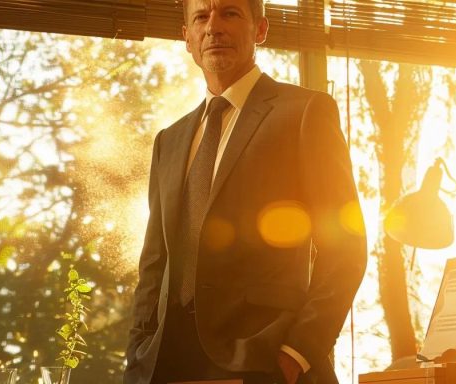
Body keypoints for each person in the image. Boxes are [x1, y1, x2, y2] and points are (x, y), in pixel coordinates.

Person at [123, 0, 367, 383]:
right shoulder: (168, 142)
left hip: (264, 362)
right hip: (169, 365)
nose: (213, 27)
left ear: (261, 30)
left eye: (230, 13)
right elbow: (154, 265)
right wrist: (138, 353)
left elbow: (345, 249)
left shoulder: (305, 113)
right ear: (186, 37)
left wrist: (296, 352)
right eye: (201, 17)